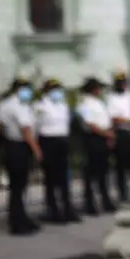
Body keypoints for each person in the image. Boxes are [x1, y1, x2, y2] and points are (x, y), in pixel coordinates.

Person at [0, 79, 41, 235]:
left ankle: (21, 218)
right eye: (25, 89)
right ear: (17, 90)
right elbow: (26, 129)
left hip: (10, 145)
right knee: (18, 186)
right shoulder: (17, 106)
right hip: (19, 146)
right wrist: (37, 149)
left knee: (18, 187)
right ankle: (17, 223)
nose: (28, 92)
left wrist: (7, 132)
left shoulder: (4, 104)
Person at [34, 78, 79, 224]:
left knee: (63, 178)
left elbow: (66, 124)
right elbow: (36, 126)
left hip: (62, 141)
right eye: (54, 90)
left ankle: (67, 208)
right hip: (48, 141)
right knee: (50, 177)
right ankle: (52, 210)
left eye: (58, 89)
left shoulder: (63, 105)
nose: (57, 92)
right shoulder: (40, 106)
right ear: (47, 91)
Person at [75, 77, 117, 215]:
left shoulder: (99, 103)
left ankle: (106, 200)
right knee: (91, 173)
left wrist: (109, 135)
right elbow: (90, 124)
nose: (100, 91)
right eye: (98, 88)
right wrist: (106, 134)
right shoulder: (84, 105)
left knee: (103, 171)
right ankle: (90, 203)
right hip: (93, 139)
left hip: (103, 138)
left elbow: (105, 120)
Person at [106, 71, 130, 204]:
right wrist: (128, 121)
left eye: (124, 82)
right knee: (121, 166)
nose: (123, 85)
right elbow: (114, 118)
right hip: (121, 133)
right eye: (120, 83)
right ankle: (123, 194)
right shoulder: (112, 98)